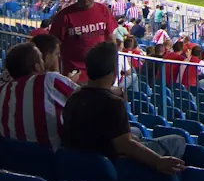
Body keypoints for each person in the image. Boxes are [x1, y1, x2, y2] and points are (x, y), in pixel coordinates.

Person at [62, 42, 186, 174]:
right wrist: (158, 161)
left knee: (136, 132)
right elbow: (125, 145)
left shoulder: (74, 97)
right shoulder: (113, 103)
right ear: (115, 71)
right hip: (113, 164)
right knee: (178, 141)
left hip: (82, 162)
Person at [0, 42, 76, 150]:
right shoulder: (50, 80)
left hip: (13, 167)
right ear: (37, 66)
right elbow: (87, 99)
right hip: (55, 166)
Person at [48, 0, 116, 81]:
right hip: (74, 75)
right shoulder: (64, 16)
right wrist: (57, 75)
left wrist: (113, 67)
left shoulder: (104, 10)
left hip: (100, 73)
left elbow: (111, 39)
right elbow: (53, 47)